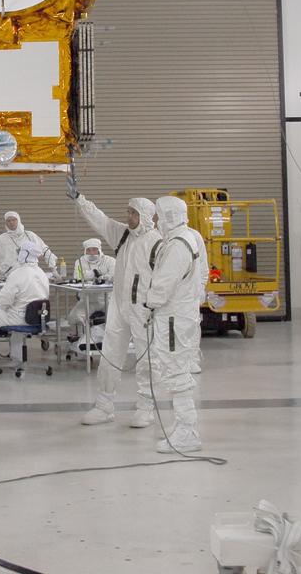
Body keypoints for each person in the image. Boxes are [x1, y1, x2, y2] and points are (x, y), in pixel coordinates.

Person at [71, 190, 164, 429]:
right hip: (119, 305)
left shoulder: (157, 242)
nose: (128, 215)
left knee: (146, 359)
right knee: (110, 353)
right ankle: (104, 406)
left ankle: (146, 408)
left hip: (144, 310)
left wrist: (157, 305)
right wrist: (80, 200)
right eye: (128, 211)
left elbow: (166, 278)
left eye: (133, 212)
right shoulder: (123, 234)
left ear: (145, 216)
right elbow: (100, 219)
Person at [148, 196, 208, 453]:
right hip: (180, 314)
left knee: (175, 369)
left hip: (173, 316)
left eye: (158, 216)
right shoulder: (188, 237)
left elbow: (163, 283)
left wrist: (147, 304)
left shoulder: (178, 245)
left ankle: (187, 431)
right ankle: (184, 426)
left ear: (169, 216)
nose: (156, 221)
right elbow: (202, 273)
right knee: (175, 366)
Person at [0, 241, 50, 374]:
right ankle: (17, 359)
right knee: (12, 323)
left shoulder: (19, 273)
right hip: (37, 318)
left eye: (19, 252)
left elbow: (2, 302)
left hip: (17, 317)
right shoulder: (42, 273)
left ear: (25, 254)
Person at [67, 238, 115, 340]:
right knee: (74, 316)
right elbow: (78, 277)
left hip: (108, 298)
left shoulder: (110, 261)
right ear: (85, 251)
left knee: (116, 318)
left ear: (99, 249)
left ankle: (112, 340)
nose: (92, 253)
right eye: (89, 250)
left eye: (94, 249)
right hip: (89, 300)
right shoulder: (79, 262)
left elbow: (115, 275)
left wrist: (103, 277)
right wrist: (92, 274)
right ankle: (81, 339)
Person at [0, 211, 54, 279]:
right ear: (5, 223)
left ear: (19, 220)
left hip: (30, 277)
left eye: (14, 220)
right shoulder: (1, 240)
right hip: (9, 278)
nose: (11, 222)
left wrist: (53, 268)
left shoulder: (30, 236)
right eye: (8, 221)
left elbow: (45, 250)